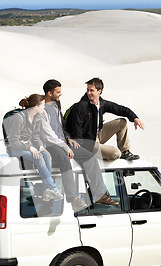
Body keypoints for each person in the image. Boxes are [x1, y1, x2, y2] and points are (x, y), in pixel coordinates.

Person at [37, 79, 119, 207]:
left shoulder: (56, 104)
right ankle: (73, 199)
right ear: (49, 93)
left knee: (90, 157)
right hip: (50, 145)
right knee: (65, 159)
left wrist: (69, 138)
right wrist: (65, 146)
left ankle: (100, 195)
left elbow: (61, 126)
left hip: (63, 142)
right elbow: (48, 135)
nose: (60, 94)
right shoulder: (40, 108)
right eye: (58, 92)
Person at [65, 77, 145, 161]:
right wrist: (81, 152)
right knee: (116, 153)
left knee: (122, 122)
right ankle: (104, 155)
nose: (88, 93)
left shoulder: (102, 104)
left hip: (96, 136)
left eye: (91, 90)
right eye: (87, 90)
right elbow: (76, 130)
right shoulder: (81, 106)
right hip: (88, 144)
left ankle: (125, 151)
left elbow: (120, 109)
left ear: (99, 91)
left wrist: (135, 118)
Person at [2, 94, 63, 202]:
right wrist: (29, 147)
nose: (44, 108)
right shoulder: (19, 118)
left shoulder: (37, 118)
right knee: (38, 158)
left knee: (46, 155)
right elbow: (13, 142)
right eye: (42, 105)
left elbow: (35, 136)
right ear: (36, 107)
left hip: (29, 147)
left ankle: (46, 190)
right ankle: (52, 187)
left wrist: (39, 146)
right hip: (15, 149)